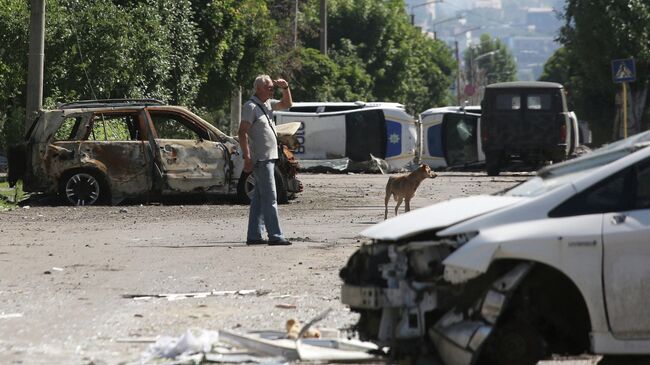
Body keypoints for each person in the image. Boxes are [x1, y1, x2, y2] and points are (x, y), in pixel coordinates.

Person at [238, 75, 293, 246]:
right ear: (258, 88)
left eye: (272, 87)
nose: (272, 89)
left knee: (259, 199)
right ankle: (275, 236)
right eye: (269, 87)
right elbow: (242, 132)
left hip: (269, 158)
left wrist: (286, 88)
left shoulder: (267, 104)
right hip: (261, 159)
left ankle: (254, 235)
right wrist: (247, 157)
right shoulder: (251, 106)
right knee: (270, 197)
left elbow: (287, 104)